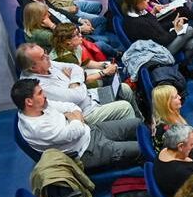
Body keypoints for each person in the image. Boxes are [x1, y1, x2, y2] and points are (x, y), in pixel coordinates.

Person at [12, 79, 140, 169]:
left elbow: (71, 106)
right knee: (141, 148)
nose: (44, 95)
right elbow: (74, 132)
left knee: (137, 124)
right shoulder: (37, 128)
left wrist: (73, 118)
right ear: (29, 101)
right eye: (40, 93)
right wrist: (73, 118)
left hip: (90, 130)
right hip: (88, 150)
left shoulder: (40, 105)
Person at [17, 43, 140, 124]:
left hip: (91, 96)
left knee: (124, 88)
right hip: (85, 112)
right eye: (42, 57)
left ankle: (142, 121)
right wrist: (75, 83)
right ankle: (138, 135)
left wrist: (74, 82)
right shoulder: (37, 86)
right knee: (125, 107)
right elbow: (77, 97)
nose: (48, 57)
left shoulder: (47, 64)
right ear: (33, 68)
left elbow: (75, 67)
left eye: (45, 52)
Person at [21, 0, 123, 57]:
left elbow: (57, 11)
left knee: (101, 23)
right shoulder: (33, 11)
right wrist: (78, 30)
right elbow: (63, 39)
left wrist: (80, 20)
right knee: (104, 42)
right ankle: (109, 50)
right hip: (69, 38)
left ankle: (92, 40)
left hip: (70, 29)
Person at [122, 0, 193, 78]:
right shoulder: (138, 23)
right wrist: (176, 30)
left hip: (158, 43)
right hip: (158, 52)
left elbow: (156, 27)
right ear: (137, 3)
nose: (147, 0)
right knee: (189, 30)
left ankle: (182, 69)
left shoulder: (138, 12)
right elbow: (163, 41)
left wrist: (173, 24)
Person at [49, 23, 119, 86]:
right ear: (68, 41)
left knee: (109, 67)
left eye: (78, 32)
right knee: (110, 79)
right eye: (76, 34)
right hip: (72, 84)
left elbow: (86, 62)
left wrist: (105, 65)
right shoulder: (66, 58)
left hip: (81, 72)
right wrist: (105, 72)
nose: (80, 35)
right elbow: (80, 80)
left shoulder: (75, 46)